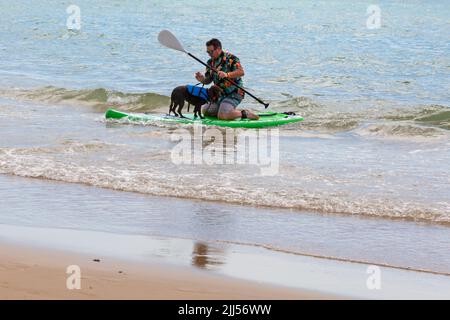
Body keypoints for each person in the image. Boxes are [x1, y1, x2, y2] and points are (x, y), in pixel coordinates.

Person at [195, 38, 259, 120]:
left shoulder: (231, 58)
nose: (209, 54)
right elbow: (208, 80)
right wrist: (202, 79)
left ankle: (245, 113)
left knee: (222, 116)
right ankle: (229, 111)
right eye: (208, 52)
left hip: (234, 92)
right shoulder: (210, 62)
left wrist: (227, 74)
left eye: (211, 51)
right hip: (219, 94)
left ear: (218, 49)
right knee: (205, 111)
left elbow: (241, 72)